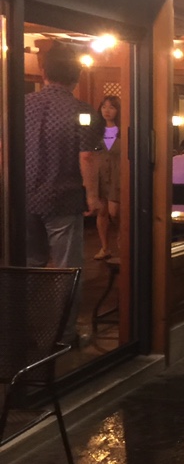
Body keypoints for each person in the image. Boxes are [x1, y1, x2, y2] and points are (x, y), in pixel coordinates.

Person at [25, 42, 101, 344]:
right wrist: (92, 196)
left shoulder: (20, 105)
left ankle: (25, 330)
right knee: (68, 269)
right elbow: (88, 156)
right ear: (77, 75)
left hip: (21, 197)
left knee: (28, 266)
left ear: (43, 72)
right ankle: (63, 335)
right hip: (63, 198)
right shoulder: (82, 111)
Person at [93, 95, 121, 260]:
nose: (107, 111)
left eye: (111, 107)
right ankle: (105, 247)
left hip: (118, 174)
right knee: (102, 211)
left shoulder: (123, 130)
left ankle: (122, 238)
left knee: (115, 211)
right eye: (104, 107)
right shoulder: (96, 130)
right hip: (100, 173)